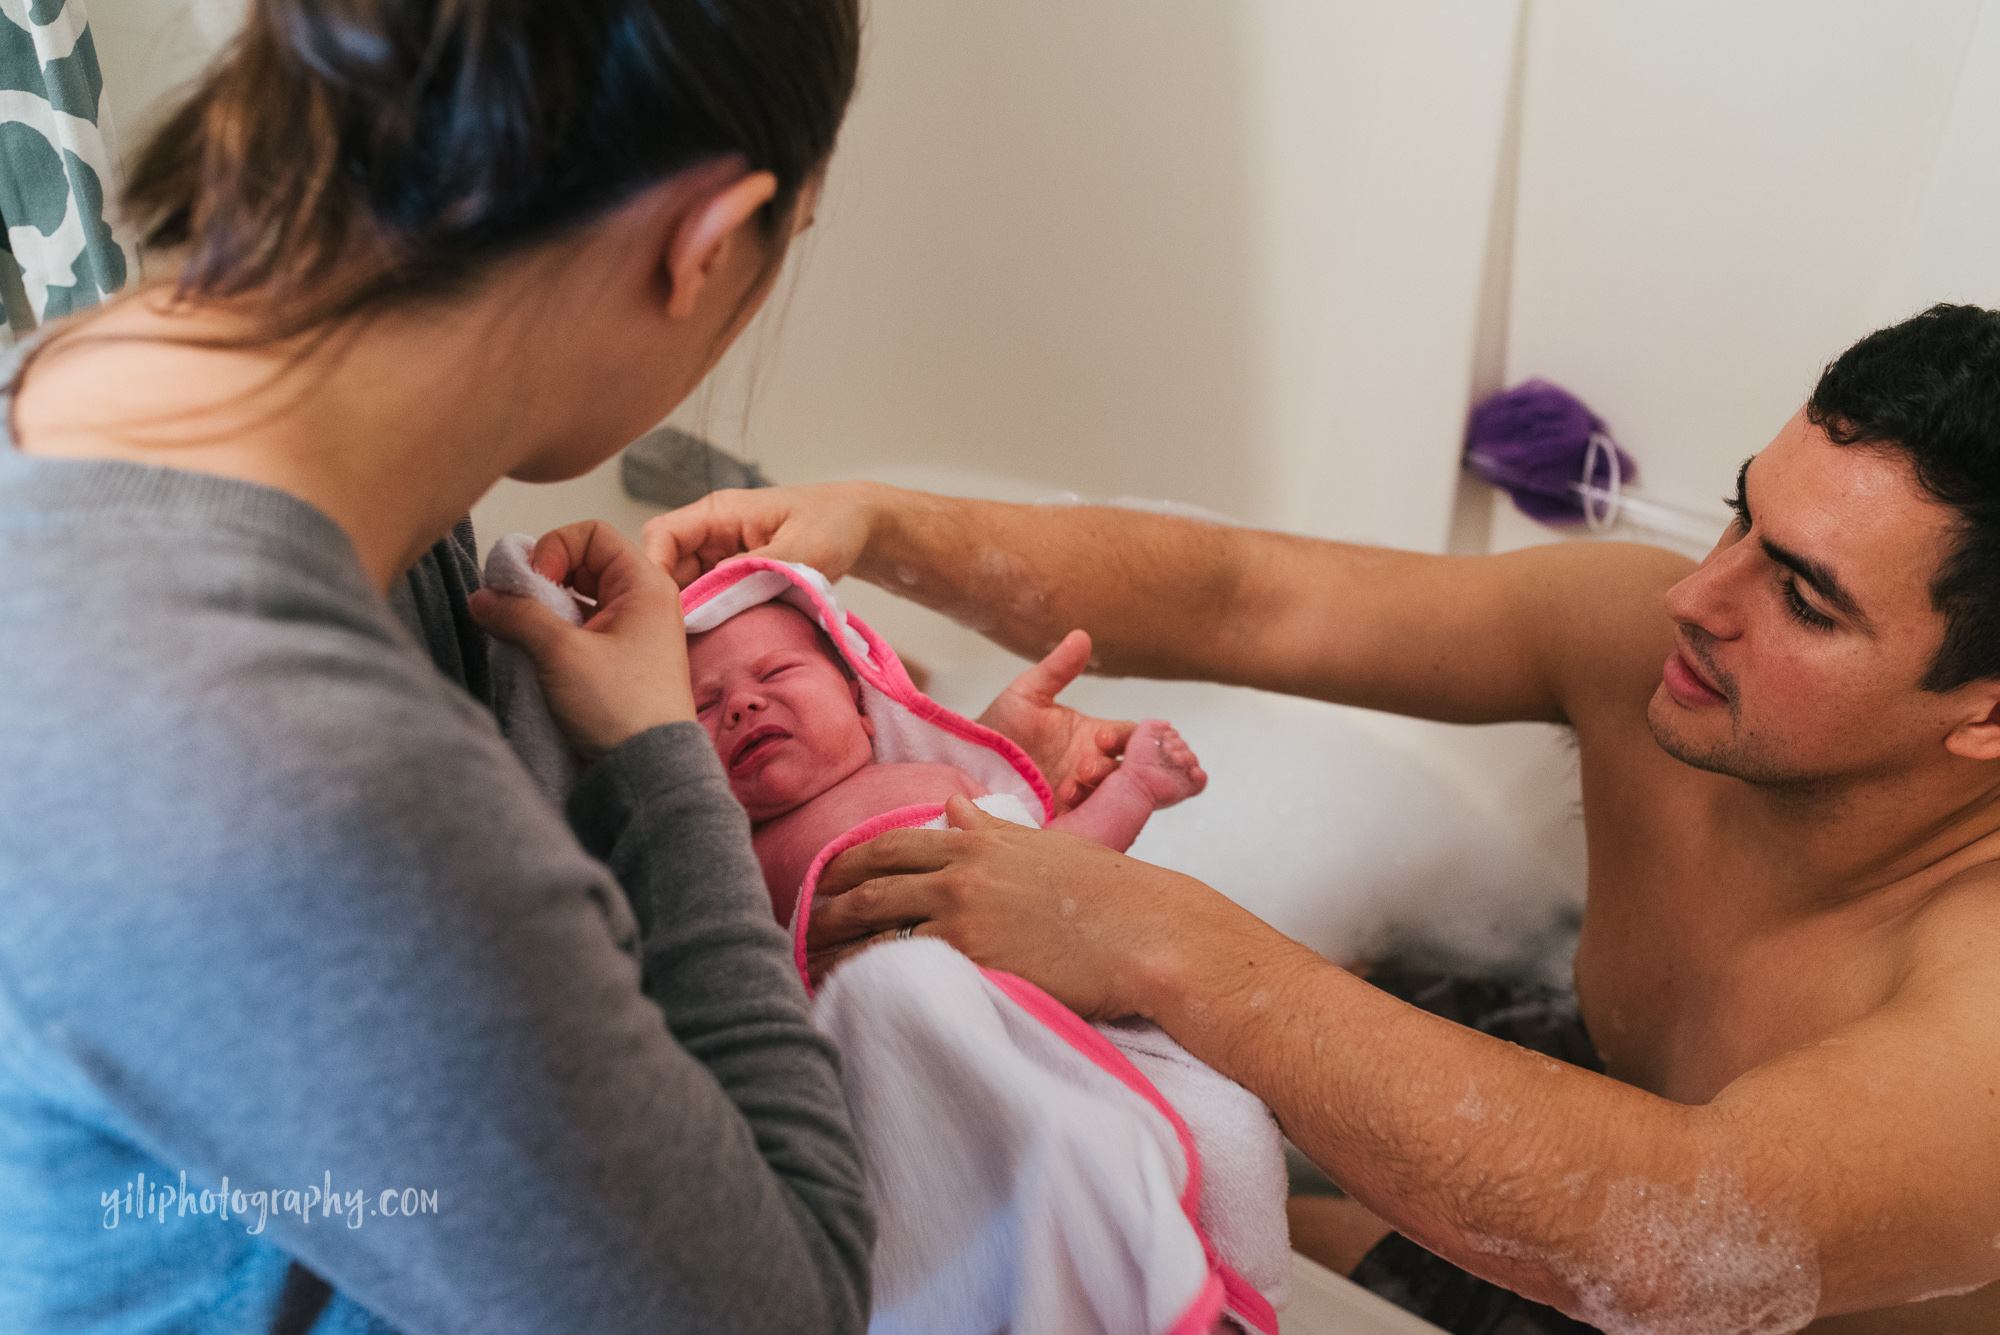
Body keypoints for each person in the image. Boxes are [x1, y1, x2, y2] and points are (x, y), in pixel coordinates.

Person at [646, 303, 2000, 1333]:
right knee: (1156, 1189)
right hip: (1590, 1089)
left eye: (1806, 599)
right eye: (1738, 518)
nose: (1697, 599)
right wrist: (876, 524)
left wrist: (1159, 936)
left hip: (1704, 1274)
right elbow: (1253, 597)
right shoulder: (1661, 654)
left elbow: (1685, 1234)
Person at [0, 1, 881, 1331]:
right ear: (703, 243)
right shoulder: (286, 767)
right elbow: (785, 1300)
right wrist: (663, 759)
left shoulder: (120, 410)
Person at [687, 602, 1207, 913]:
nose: (740, 705)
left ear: (861, 703)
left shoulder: (934, 782)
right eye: (704, 707)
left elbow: (1048, 882)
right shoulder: (718, 861)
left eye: (775, 672)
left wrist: (1126, 790)